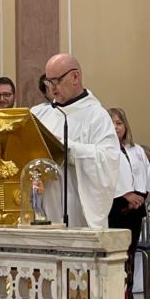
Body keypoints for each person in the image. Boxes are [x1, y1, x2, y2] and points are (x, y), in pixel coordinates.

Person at [31, 54, 119, 229]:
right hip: (42, 208)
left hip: (76, 208)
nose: (52, 89)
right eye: (48, 82)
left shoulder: (96, 115)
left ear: (75, 77)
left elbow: (108, 160)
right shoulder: (40, 114)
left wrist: (66, 148)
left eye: (56, 81)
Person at [107, 108, 148, 296]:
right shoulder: (105, 150)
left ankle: (128, 293)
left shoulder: (136, 149)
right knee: (117, 254)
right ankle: (117, 294)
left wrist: (139, 197)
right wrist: (125, 195)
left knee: (131, 252)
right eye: (112, 123)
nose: (116, 127)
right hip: (115, 207)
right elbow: (104, 177)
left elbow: (145, 174)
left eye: (119, 123)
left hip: (136, 208)